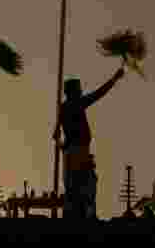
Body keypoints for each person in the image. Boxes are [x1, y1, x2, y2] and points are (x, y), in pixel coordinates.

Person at [53, 68, 125, 219]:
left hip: (71, 151)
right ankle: (86, 215)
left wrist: (63, 146)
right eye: (79, 89)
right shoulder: (76, 103)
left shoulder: (63, 107)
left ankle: (76, 214)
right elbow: (98, 94)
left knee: (74, 187)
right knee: (87, 184)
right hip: (78, 151)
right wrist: (114, 79)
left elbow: (55, 134)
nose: (81, 91)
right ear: (73, 92)